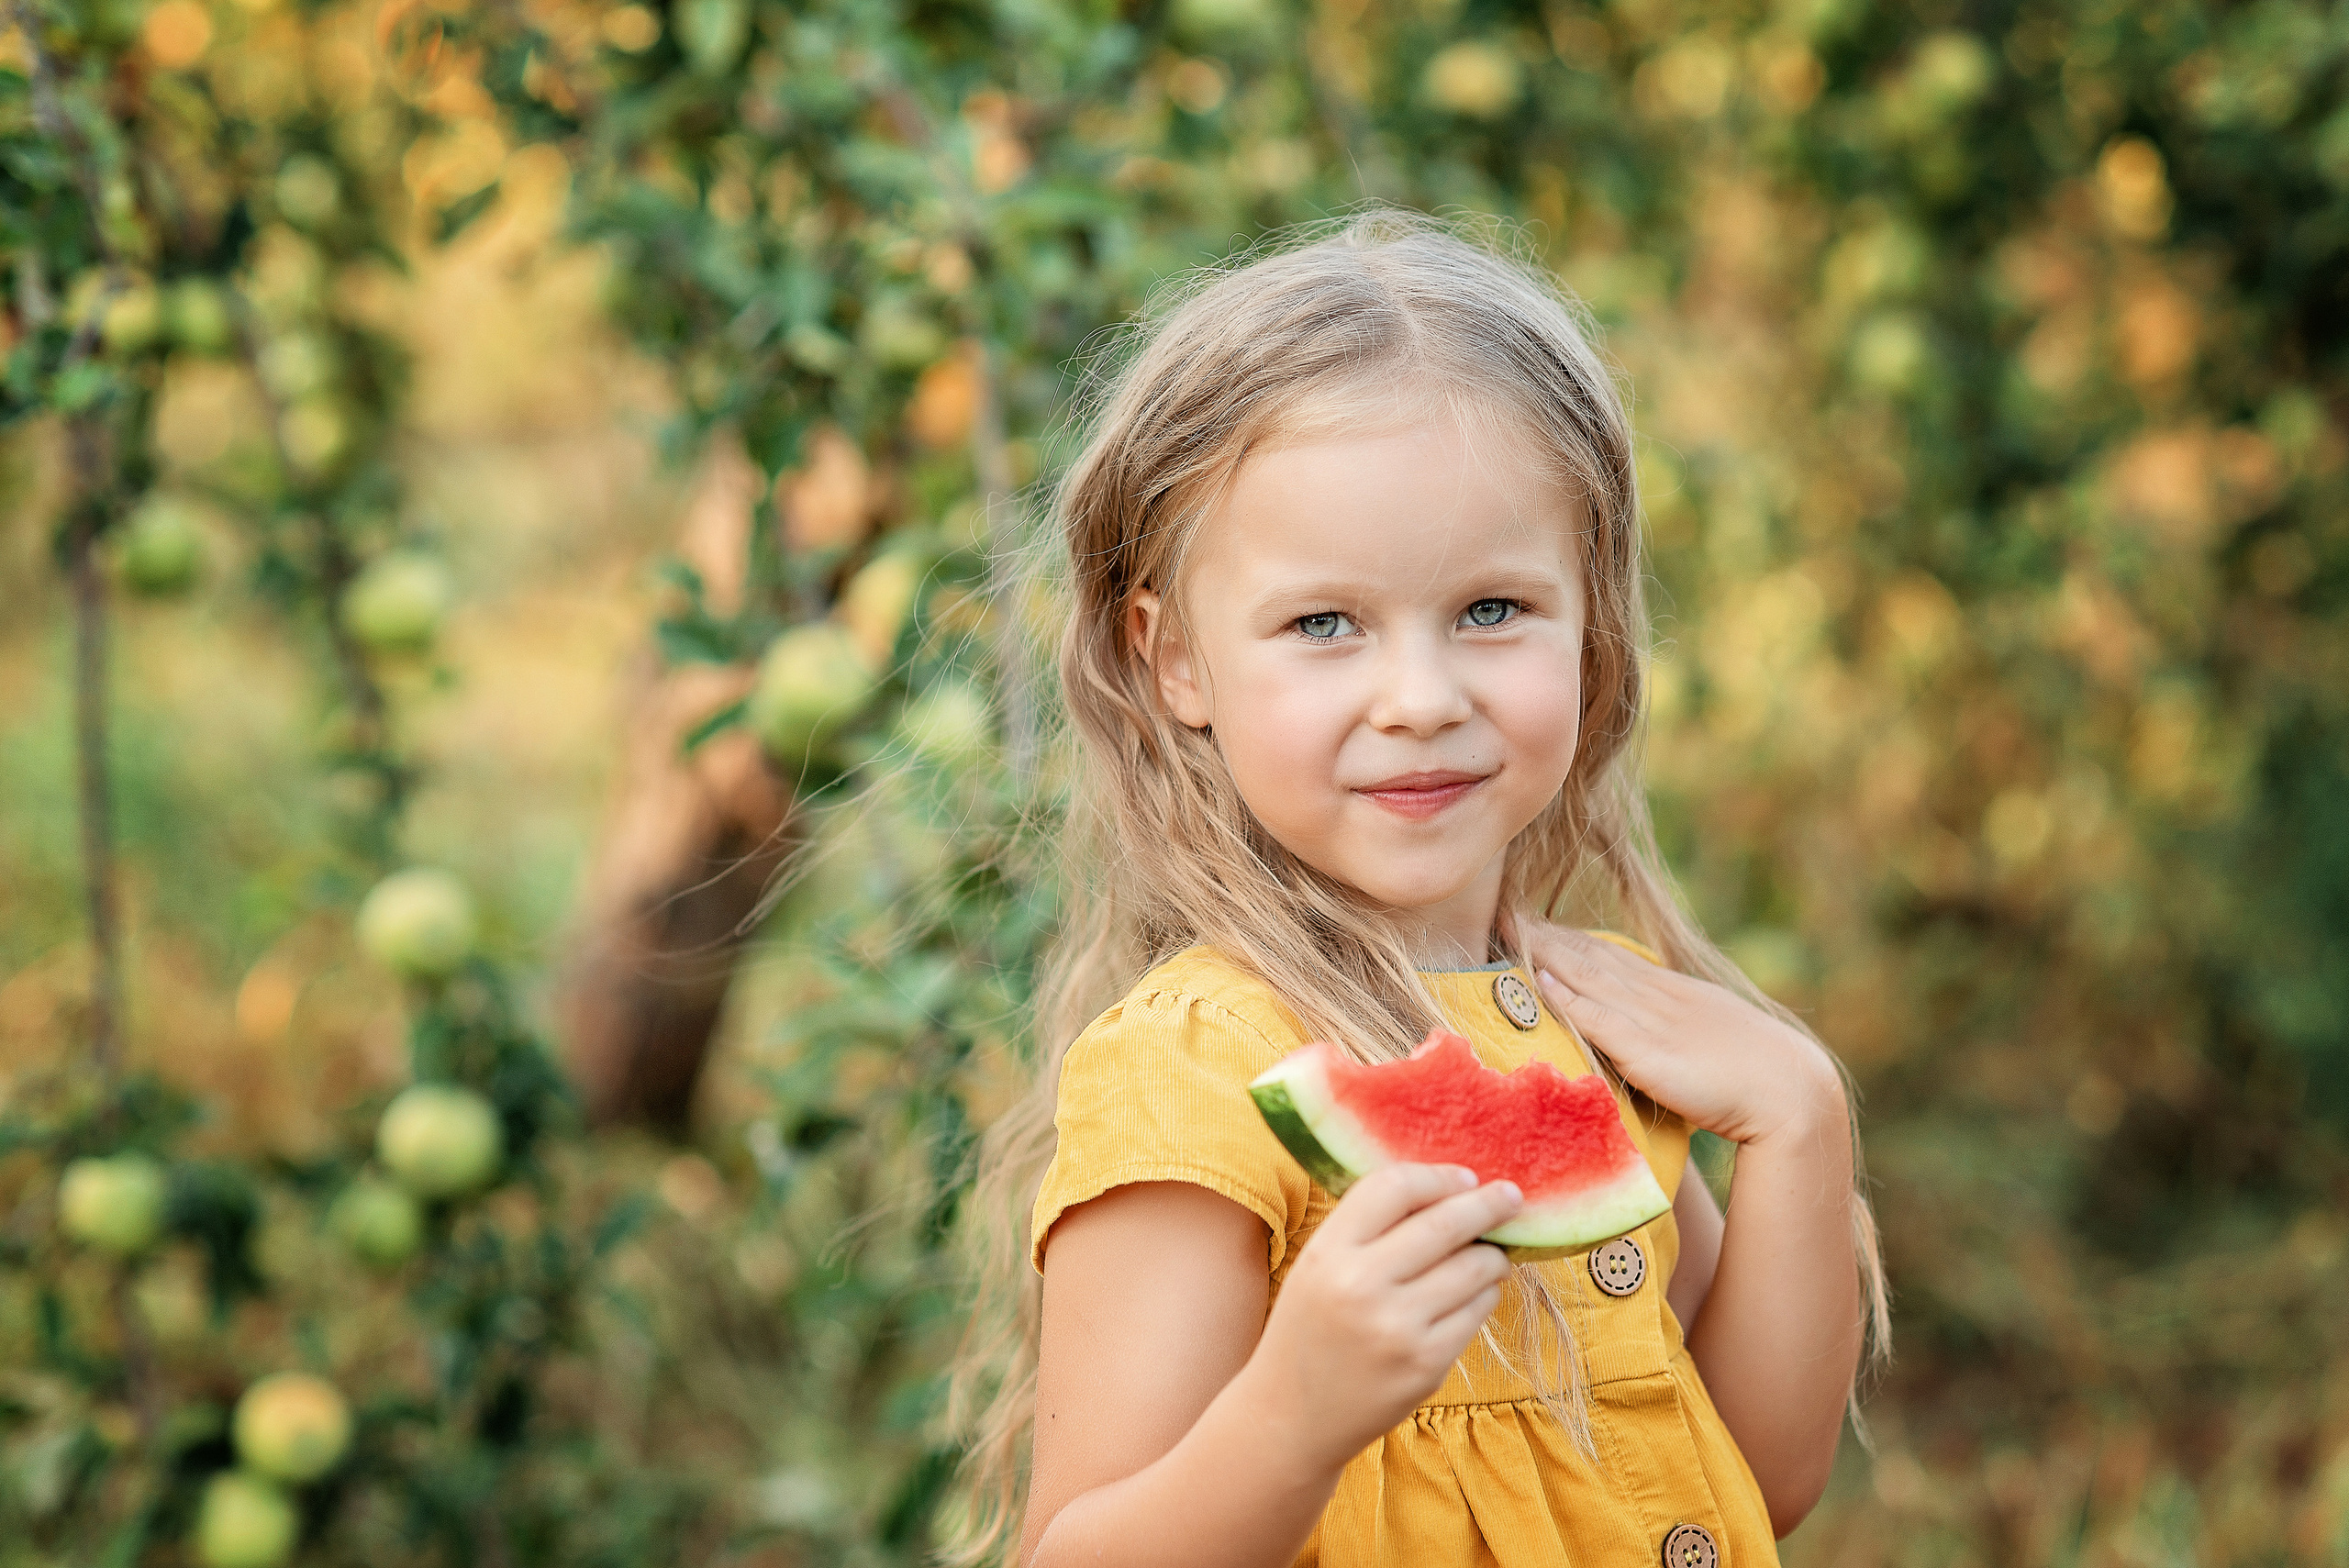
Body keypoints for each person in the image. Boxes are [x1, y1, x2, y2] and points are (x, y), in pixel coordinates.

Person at [945, 211, 1889, 1568]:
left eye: (1492, 611)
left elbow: (1750, 1473)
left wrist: (1802, 1117)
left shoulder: (1573, 1019)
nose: (1420, 700)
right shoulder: (1197, 1067)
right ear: (1175, 662)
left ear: (1593, 627)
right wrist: (1293, 1414)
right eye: (1324, 624)